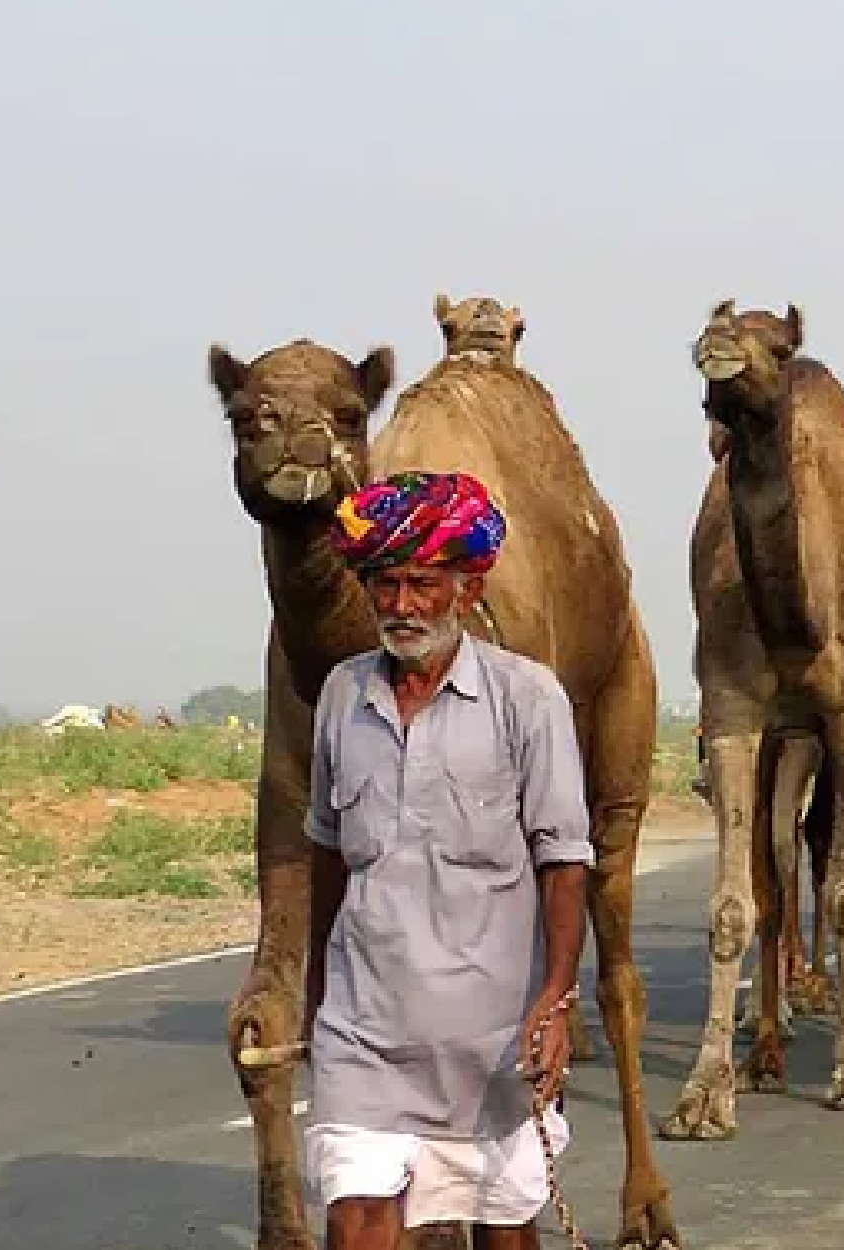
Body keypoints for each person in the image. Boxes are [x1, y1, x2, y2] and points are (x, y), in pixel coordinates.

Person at [304, 470, 591, 1249]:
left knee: (504, 1231)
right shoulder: (341, 696)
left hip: (493, 1039)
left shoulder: (529, 700)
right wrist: (314, 991)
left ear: (467, 586)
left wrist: (558, 998)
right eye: (386, 584)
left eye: (422, 585)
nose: (401, 606)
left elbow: (564, 860)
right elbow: (328, 854)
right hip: (365, 1032)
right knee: (356, 1217)